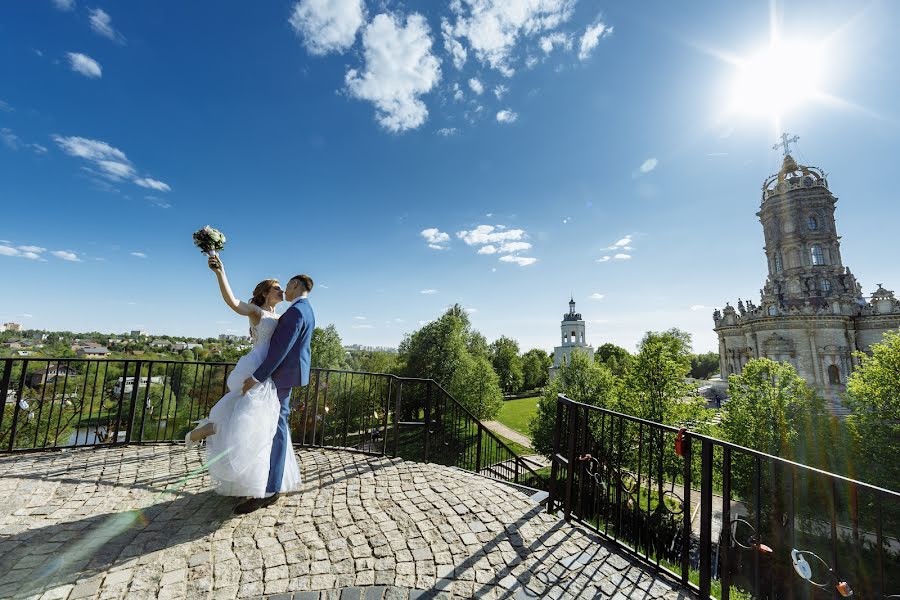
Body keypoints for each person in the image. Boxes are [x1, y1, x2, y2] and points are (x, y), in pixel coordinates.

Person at [185, 256, 303, 505]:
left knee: (256, 421)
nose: (282, 290)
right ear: (264, 293)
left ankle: (208, 430)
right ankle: (210, 432)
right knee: (251, 420)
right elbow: (232, 302)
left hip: (269, 370)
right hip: (255, 367)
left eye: (283, 286)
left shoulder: (281, 314)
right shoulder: (257, 312)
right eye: (277, 287)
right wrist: (220, 273)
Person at [235, 271, 315, 514]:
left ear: (294, 285)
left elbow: (280, 350)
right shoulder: (307, 309)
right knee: (275, 427)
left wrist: (256, 378)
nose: (284, 291)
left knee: (275, 430)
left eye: (286, 286)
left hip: (280, 378)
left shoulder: (295, 312)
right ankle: (269, 482)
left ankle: (269, 490)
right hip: (288, 376)